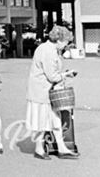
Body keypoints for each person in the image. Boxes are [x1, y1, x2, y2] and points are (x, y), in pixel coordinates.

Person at [26, 25, 79, 160]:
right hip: (42, 92)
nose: (66, 45)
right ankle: (41, 149)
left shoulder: (46, 48)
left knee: (52, 119)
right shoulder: (49, 51)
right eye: (66, 42)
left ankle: (60, 147)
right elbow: (52, 76)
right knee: (43, 120)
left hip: (42, 90)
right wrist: (66, 75)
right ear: (59, 40)